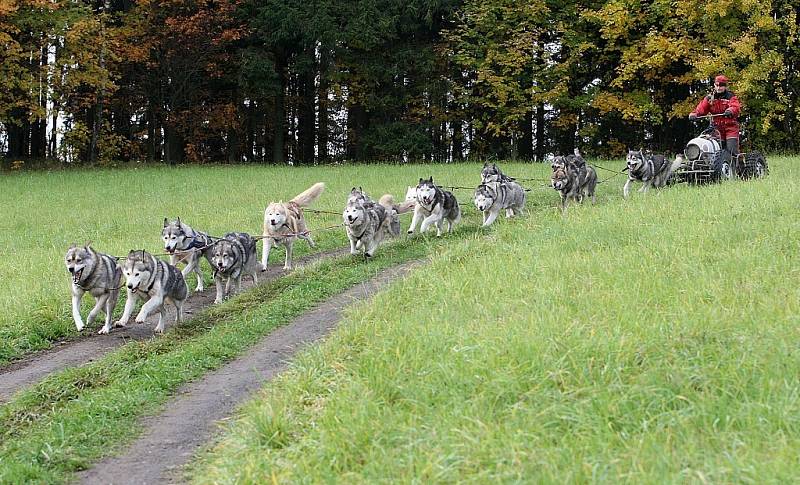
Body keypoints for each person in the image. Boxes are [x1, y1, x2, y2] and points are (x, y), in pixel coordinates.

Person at [689, 75, 741, 157]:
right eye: (717, 85)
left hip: (730, 128)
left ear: (725, 86)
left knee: (732, 150)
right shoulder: (710, 98)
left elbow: (735, 107)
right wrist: (694, 114)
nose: (719, 88)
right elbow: (701, 109)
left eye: (721, 86)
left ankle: (741, 167)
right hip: (717, 128)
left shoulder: (731, 97)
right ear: (714, 85)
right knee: (714, 149)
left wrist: (730, 111)